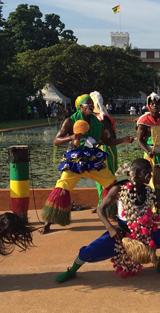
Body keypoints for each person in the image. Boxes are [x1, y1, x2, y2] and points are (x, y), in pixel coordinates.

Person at [54, 159, 160, 283]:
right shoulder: (119, 188)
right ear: (136, 173)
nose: (150, 175)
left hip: (145, 234)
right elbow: (100, 209)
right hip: (120, 234)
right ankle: (71, 271)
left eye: (151, 172)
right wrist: (110, 228)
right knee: (88, 251)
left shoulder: (149, 191)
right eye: (146, 172)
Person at [39, 94, 134, 234]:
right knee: (62, 187)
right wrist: (73, 137)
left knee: (111, 183)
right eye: (87, 104)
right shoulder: (70, 121)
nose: (90, 106)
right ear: (80, 106)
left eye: (91, 104)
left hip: (93, 161)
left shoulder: (97, 122)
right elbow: (56, 140)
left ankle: (113, 214)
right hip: (75, 161)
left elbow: (107, 142)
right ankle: (49, 221)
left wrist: (123, 140)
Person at [89, 91, 119, 219]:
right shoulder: (94, 118)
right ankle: (103, 204)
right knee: (98, 178)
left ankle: (110, 206)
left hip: (106, 149)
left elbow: (112, 136)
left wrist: (97, 142)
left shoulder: (102, 118)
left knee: (107, 177)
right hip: (98, 149)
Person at [136, 92, 160, 176]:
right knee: (150, 178)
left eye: (157, 103)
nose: (155, 105)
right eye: (152, 104)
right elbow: (139, 140)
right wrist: (148, 151)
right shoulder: (143, 121)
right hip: (150, 154)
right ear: (149, 106)